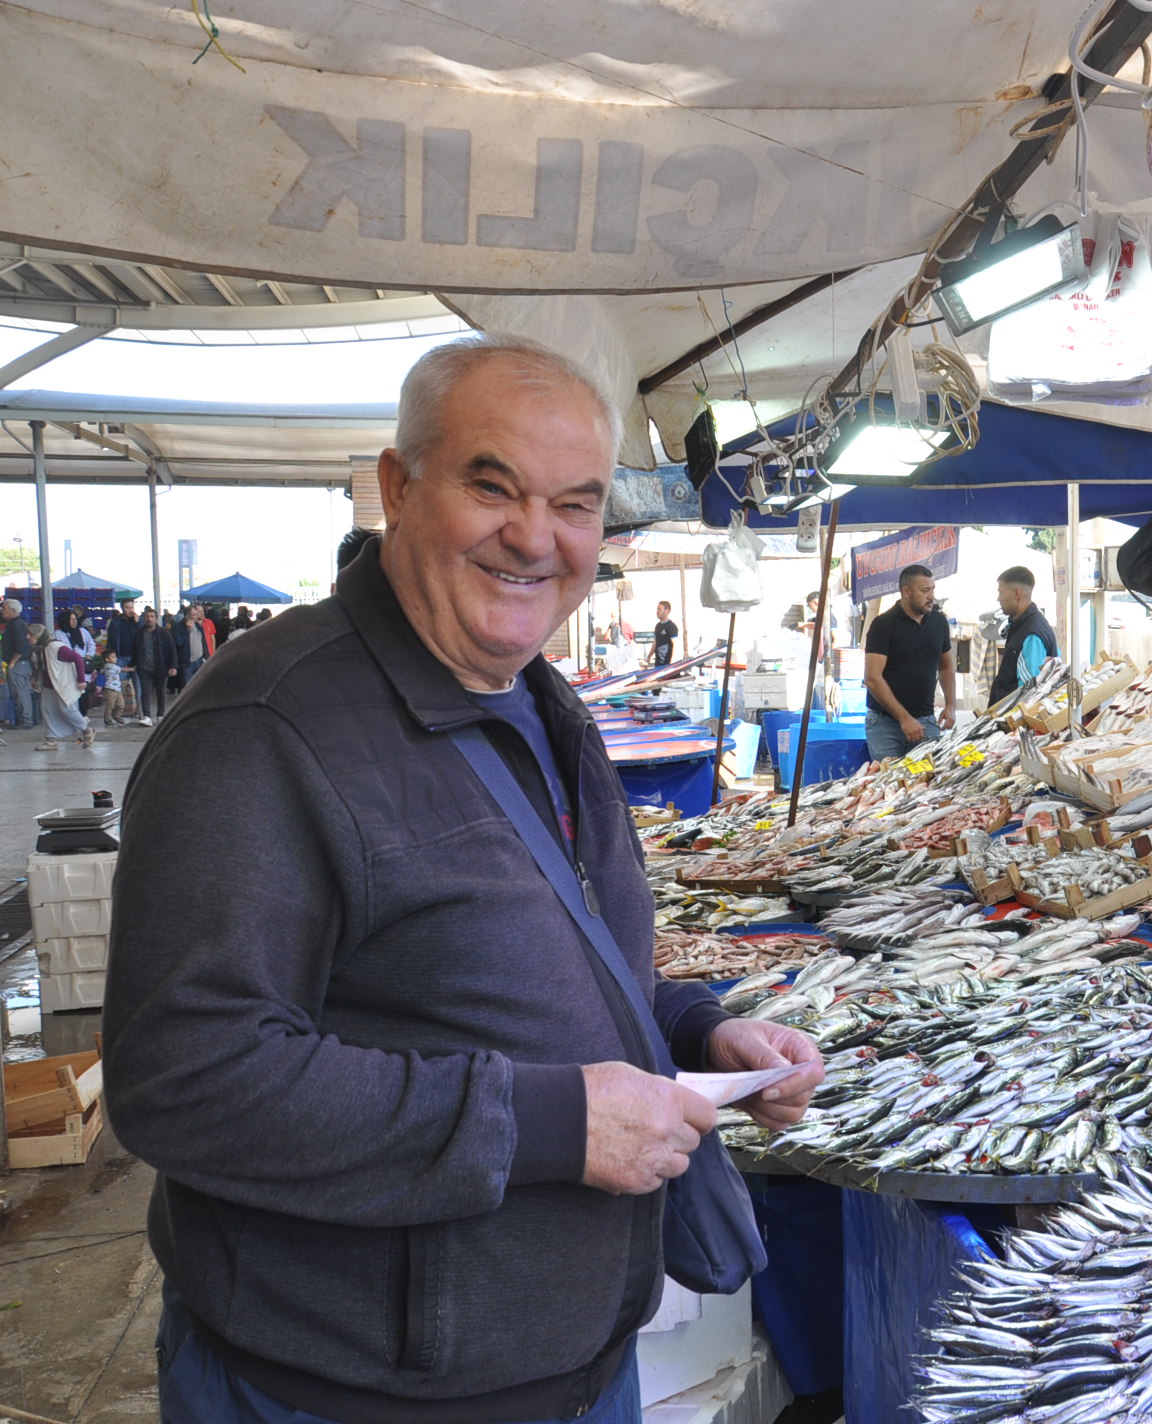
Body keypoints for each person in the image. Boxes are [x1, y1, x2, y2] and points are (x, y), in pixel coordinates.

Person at [103, 333, 825, 1424]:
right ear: (399, 487)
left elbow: (553, 943)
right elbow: (182, 1073)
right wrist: (550, 1122)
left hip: (575, 1365)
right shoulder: (262, 728)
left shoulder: (532, 692)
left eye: (576, 504)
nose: (535, 536)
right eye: (492, 486)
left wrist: (689, 1030)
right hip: (348, 1391)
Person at [862, 564, 955, 762]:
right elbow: (872, 678)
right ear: (906, 591)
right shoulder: (883, 624)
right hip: (884, 724)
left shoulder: (939, 622)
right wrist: (904, 719)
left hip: (926, 720)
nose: (931, 596)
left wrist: (950, 705)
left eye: (932, 589)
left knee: (927, 783)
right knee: (887, 784)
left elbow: (946, 665)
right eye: (924, 591)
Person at [987, 565, 1058, 704]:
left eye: (1001, 593)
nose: (998, 599)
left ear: (1017, 594)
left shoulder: (1032, 634)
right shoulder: (1020, 625)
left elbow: (1030, 694)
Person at [32, 624, 93, 750]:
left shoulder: (55, 647)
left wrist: (81, 680)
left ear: (39, 636)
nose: (27, 637)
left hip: (62, 685)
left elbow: (77, 658)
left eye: (30, 635)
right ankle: (51, 740)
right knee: (47, 710)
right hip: (49, 686)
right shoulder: (41, 649)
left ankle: (87, 731)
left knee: (68, 710)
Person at [3, 598, 38, 730]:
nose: (2, 611)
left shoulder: (17, 624)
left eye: (4, 608)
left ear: (13, 610)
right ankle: (25, 718)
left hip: (19, 664)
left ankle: (26, 719)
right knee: (19, 691)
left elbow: (21, 646)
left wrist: (12, 662)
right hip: (19, 663)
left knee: (20, 691)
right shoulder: (13, 624)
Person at [135, 608, 173, 724]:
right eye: (147, 616)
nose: (149, 619)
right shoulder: (139, 633)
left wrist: (173, 666)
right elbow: (135, 649)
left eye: (152, 616)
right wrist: (134, 664)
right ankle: (147, 716)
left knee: (161, 692)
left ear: (156, 619)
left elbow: (171, 650)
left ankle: (160, 715)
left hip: (161, 667)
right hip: (144, 668)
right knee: (145, 692)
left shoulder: (164, 634)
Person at [106, 597, 140, 725]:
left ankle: (139, 710)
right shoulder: (116, 622)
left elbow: (143, 635)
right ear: (122, 609)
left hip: (135, 656)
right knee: (116, 686)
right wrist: (110, 656)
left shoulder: (138, 621)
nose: (130, 610)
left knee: (138, 684)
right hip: (119, 657)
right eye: (127, 608)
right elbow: (110, 639)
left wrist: (137, 623)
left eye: (132, 607)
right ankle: (116, 713)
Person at [175, 603, 215, 689]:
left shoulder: (198, 626)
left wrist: (207, 656)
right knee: (188, 689)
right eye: (194, 615)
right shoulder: (178, 628)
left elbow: (203, 642)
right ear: (187, 615)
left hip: (200, 661)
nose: (197, 616)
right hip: (187, 663)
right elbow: (179, 643)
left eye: (197, 614)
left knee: (201, 687)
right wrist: (187, 631)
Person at [648, 600, 679, 667]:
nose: (657, 611)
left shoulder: (671, 626)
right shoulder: (658, 626)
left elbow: (676, 645)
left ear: (666, 611)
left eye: (659, 609)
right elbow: (655, 643)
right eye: (657, 609)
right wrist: (649, 657)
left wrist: (672, 662)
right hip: (658, 665)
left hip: (667, 664)